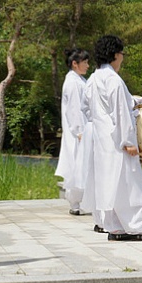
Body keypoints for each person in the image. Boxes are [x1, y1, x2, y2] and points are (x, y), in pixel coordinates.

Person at [82, 35, 142, 242]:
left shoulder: (93, 79)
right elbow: (121, 111)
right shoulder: (114, 80)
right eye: (122, 54)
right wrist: (129, 141)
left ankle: (114, 227)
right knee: (129, 184)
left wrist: (141, 100)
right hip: (118, 140)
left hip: (102, 140)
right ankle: (134, 228)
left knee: (109, 185)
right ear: (116, 54)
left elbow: (91, 108)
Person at [55, 48, 91, 215]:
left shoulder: (79, 80)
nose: (88, 65)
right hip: (78, 132)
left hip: (80, 130)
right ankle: (77, 203)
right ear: (75, 64)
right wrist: (80, 132)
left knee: (80, 166)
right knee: (78, 166)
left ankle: (80, 203)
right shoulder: (73, 83)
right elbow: (75, 110)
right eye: (85, 62)